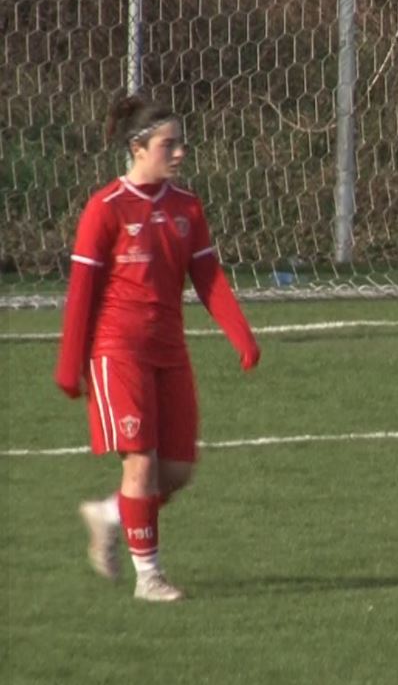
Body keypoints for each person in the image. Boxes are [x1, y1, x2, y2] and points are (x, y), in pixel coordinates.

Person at [59, 95, 261, 602]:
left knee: (177, 470)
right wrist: (70, 365)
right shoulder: (105, 209)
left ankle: (109, 514)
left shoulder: (186, 207)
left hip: (169, 350)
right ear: (137, 148)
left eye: (180, 144)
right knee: (141, 465)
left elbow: (208, 278)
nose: (178, 154)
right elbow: (82, 291)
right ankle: (149, 577)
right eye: (168, 145)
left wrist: (242, 336)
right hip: (116, 350)